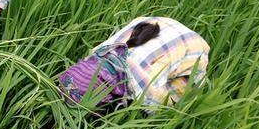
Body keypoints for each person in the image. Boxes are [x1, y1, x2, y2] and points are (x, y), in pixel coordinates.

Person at [59, 17, 210, 111]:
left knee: (174, 99)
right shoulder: (98, 52)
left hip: (193, 48)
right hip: (153, 22)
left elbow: (155, 105)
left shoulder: (141, 83)